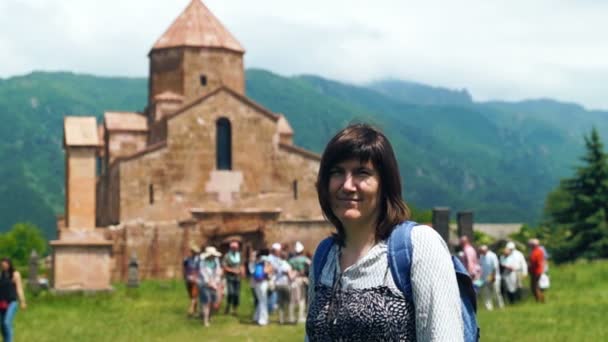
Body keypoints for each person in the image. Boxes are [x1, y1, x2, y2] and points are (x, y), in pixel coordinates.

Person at [306, 124, 463, 341]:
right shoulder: (324, 256)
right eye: (337, 172)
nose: (347, 185)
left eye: (362, 172)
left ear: (384, 184)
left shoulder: (420, 246)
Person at [0, 258, 26, 342]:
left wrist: (22, 301)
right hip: (2, 303)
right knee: (2, 325)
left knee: (7, 322)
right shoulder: (1, 275)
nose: (3, 267)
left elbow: (19, 289)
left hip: (12, 302)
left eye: (5, 265)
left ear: (9, 264)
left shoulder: (15, 274)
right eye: (2, 265)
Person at [198, 246, 223, 327]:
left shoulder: (216, 261)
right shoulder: (202, 263)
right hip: (204, 285)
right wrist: (209, 283)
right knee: (207, 302)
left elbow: (218, 272)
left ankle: (209, 316)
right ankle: (205, 320)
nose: (213, 257)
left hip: (214, 284)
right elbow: (203, 274)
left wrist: (216, 282)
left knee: (214, 302)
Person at [288, 241, 311, 323]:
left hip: (293, 280)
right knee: (302, 299)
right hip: (302, 280)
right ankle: (300, 317)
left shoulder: (291, 260)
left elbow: (289, 270)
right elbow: (311, 267)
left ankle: (291, 317)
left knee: (292, 300)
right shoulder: (305, 259)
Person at [478, 245, 504, 310]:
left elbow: (495, 267)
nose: (481, 252)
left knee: (496, 293)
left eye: (482, 251)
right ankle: (489, 308)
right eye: (480, 251)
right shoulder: (481, 256)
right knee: (486, 294)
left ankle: (500, 306)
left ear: (486, 250)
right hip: (484, 278)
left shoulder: (492, 255)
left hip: (494, 277)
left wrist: (493, 277)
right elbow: (481, 267)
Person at [252, 249, 273, 326]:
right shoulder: (266, 260)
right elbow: (266, 271)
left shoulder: (257, 260)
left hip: (257, 283)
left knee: (260, 300)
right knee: (263, 301)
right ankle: (262, 320)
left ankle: (256, 317)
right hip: (263, 282)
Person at [222, 240, 243, 315]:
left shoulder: (239, 255)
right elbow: (224, 266)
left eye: (236, 247)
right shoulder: (227, 256)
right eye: (234, 247)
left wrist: (242, 271)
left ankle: (235, 309)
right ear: (231, 248)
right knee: (231, 293)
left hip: (238, 278)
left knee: (236, 294)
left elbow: (241, 264)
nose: (235, 249)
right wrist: (233, 270)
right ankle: (228, 305)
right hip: (230, 277)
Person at [182, 242, 201, 317]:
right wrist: (185, 276)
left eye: (195, 252)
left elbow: (200, 269)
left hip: (196, 279)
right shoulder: (187, 259)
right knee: (191, 295)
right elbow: (184, 268)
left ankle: (191, 308)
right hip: (188, 278)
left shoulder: (199, 260)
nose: (194, 253)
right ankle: (194, 311)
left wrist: (196, 276)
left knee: (194, 294)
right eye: (193, 251)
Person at [528, 239, 545, 303]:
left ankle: (539, 300)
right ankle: (541, 299)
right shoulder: (539, 251)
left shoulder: (536, 252)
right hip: (537, 270)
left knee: (534, 286)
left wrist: (529, 266)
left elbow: (534, 262)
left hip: (536, 271)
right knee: (536, 286)